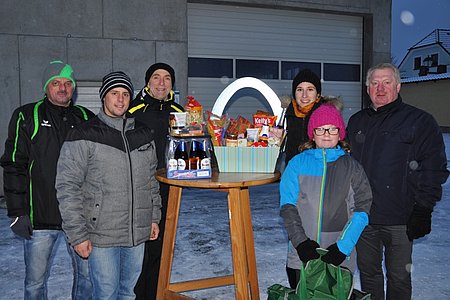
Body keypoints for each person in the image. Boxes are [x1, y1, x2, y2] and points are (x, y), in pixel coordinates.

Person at [347, 63, 449, 300]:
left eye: (387, 82)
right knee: (369, 275)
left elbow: (434, 168)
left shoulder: (420, 121)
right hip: (364, 218)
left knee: (399, 278)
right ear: (367, 88)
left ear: (398, 86)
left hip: (401, 220)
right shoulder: (356, 122)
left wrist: (423, 209)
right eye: (374, 83)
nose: (380, 89)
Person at [55, 71, 162, 299]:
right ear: (104, 96)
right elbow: (68, 187)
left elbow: (151, 181)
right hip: (101, 234)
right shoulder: (83, 134)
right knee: (105, 293)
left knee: (128, 293)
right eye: (114, 93)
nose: (120, 99)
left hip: (136, 232)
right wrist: (78, 235)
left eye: (125, 94)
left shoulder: (143, 134)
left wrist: (153, 217)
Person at [0, 60, 94, 299]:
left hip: (78, 220)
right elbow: (14, 164)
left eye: (67, 83)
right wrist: (18, 211)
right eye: (56, 83)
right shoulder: (26, 115)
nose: (62, 88)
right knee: (35, 283)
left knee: (87, 278)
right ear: (45, 87)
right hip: (39, 219)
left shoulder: (85, 117)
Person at [279, 104, 372, 289]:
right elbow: (288, 207)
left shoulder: (352, 168)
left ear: (340, 133)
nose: (327, 133)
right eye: (320, 129)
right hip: (302, 254)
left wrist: (343, 247)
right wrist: (301, 243)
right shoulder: (297, 164)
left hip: (338, 256)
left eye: (332, 128)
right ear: (312, 134)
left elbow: (362, 210)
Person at [128, 62, 184, 300]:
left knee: (162, 246)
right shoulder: (133, 111)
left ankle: (156, 293)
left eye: (167, 78)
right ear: (148, 82)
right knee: (142, 248)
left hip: (170, 189)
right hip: (140, 189)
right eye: (156, 77)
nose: (162, 83)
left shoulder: (180, 111)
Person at [284, 69, 324, 165]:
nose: (304, 95)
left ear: (318, 94)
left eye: (310, 89)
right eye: (300, 89)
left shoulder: (326, 116)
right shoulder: (287, 115)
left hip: (318, 172)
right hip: (293, 172)